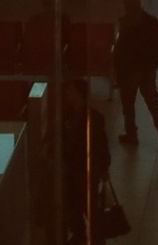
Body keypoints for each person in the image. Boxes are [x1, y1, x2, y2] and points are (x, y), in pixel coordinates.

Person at [112, 0, 158, 151]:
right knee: (152, 102)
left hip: (130, 71)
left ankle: (132, 134)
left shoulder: (126, 24)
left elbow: (120, 50)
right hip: (148, 70)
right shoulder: (152, 22)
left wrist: (118, 69)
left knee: (128, 105)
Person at [60, 78, 109, 245]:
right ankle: (81, 235)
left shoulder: (93, 119)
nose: (67, 94)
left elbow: (101, 146)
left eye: (70, 91)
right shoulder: (66, 116)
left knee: (86, 208)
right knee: (75, 207)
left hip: (85, 172)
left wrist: (103, 168)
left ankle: (89, 238)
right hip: (73, 171)